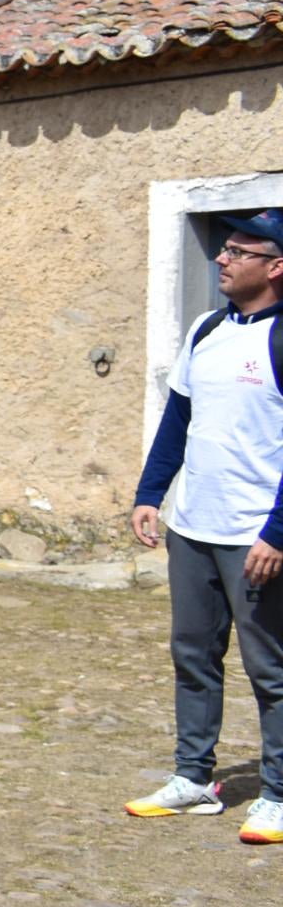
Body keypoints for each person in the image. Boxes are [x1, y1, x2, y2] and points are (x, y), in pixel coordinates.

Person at [126, 210, 283, 845]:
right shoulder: (207, 329)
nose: (222, 258)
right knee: (193, 655)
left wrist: (278, 532)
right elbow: (176, 421)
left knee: (270, 668)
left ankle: (277, 792)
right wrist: (150, 493)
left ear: (275, 266)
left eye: (239, 251)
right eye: (222, 248)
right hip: (194, 528)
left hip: (256, 536)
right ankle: (194, 779)